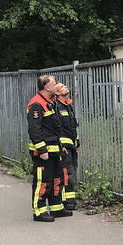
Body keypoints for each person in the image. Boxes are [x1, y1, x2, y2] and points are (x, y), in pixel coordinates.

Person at [26, 75, 71, 222]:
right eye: (54, 83)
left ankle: (56, 208)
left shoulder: (50, 102)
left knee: (56, 179)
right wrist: (42, 150)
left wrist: (61, 146)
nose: (57, 85)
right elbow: (35, 130)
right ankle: (39, 211)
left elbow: (54, 128)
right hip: (43, 152)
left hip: (54, 150)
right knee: (43, 181)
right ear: (47, 87)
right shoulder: (37, 104)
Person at [54, 83, 79, 211]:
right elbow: (56, 127)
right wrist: (60, 144)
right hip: (64, 146)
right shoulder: (56, 107)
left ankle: (70, 200)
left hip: (71, 144)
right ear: (57, 93)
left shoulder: (68, 106)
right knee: (66, 173)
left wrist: (77, 139)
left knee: (71, 170)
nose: (66, 87)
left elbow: (73, 125)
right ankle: (67, 202)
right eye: (62, 86)